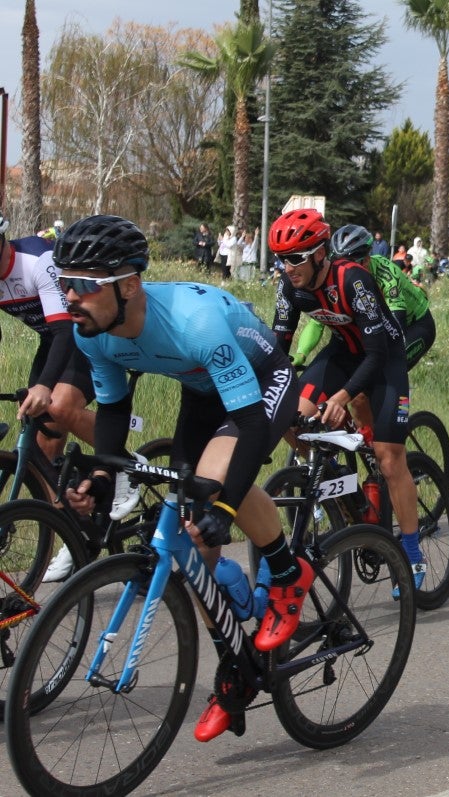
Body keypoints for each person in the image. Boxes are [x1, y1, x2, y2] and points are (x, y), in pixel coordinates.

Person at [55, 214, 311, 742]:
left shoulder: (194, 322)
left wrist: (224, 508)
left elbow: (250, 423)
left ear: (128, 286)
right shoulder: (93, 335)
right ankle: (236, 670)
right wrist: (105, 475)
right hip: (200, 388)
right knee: (194, 550)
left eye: (82, 286)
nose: (69, 299)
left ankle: (288, 574)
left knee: (215, 488)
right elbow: (112, 411)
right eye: (63, 284)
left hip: (260, 381)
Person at [268, 209, 426, 589]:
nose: (287, 268)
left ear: (320, 253)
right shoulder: (289, 287)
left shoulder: (353, 280)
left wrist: (340, 398)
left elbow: (375, 354)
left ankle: (412, 555)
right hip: (341, 353)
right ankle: (341, 494)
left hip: (384, 358)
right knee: (293, 418)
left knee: (390, 458)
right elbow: (278, 349)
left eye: (295, 258)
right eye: (280, 259)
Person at [0, 209, 97, 462]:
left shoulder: (37, 260)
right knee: (40, 443)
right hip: (53, 341)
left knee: (59, 406)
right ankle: (53, 501)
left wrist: (44, 386)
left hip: (87, 336)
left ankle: (125, 464)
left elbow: (65, 329)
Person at [292, 223, 436, 370]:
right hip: (375, 325)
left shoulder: (386, 273)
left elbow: (396, 328)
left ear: (366, 260)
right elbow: (318, 322)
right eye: (336, 261)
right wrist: (301, 353)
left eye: (348, 263)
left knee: (384, 371)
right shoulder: (336, 277)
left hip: (416, 324)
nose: (342, 269)